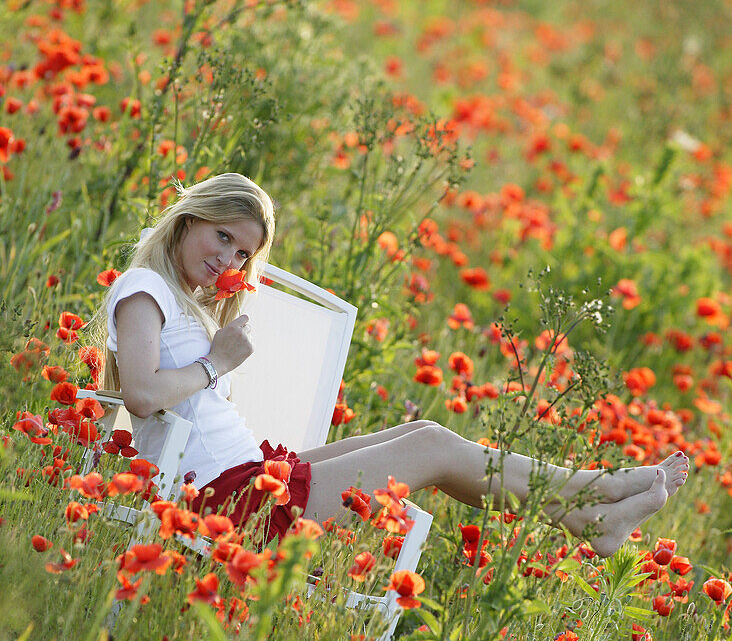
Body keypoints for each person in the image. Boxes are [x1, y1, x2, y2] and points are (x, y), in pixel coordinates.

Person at [99, 172, 689, 557]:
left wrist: (215, 351)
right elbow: (143, 396)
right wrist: (215, 363)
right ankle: (593, 497)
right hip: (226, 503)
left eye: (243, 252)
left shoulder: (178, 300)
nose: (228, 258)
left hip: (245, 476)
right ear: (187, 220)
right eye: (222, 237)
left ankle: (583, 510)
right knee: (432, 447)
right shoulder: (144, 287)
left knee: (423, 433)